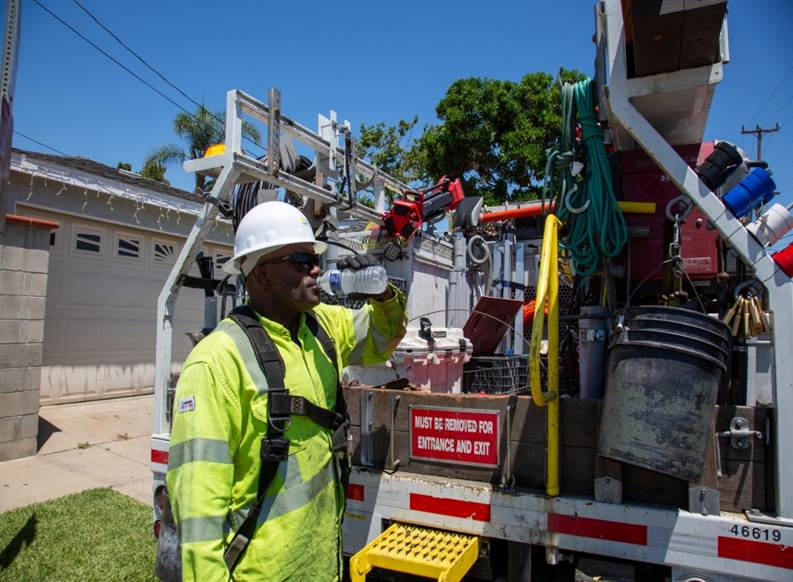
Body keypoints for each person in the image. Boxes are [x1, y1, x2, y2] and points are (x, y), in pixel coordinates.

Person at [166, 201, 407, 582]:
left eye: (314, 258)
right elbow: (198, 514)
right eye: (300, 260)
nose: (315, 269)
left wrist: (382, 295)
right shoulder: (216, 362)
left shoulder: (321, 326)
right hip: (261, 572)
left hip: (320, 564)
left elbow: (382, 339)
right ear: (261, 275)